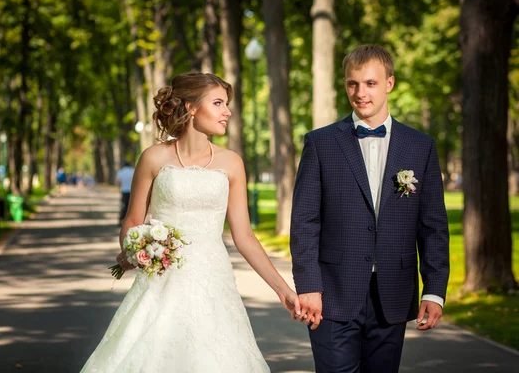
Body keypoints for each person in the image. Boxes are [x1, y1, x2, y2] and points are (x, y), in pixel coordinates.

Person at [80, 72, 300, 373]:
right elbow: (132, 221)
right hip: (161, 283)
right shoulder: (154, 158)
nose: (228, 112)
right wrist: (138, 250)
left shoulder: (232, 162)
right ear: (191, 107)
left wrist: (283, 289)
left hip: (214, 283)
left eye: (227, 104)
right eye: (219, 103)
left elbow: (245, 236)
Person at [290, 45, 450, 373]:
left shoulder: (421, 146)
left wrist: (434, 290)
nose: (360, 93)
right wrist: (308, 285)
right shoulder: (320, 143)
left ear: (389, 84)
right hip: (331, 293)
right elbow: (305, 220)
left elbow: (433, 224)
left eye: (370, 83)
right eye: (353, 84)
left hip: (393, 293)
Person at [116, 160, 135, 226]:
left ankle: (121, 220)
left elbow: (118, 182)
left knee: (123, 206)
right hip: (131, 191)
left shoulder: (121, 171)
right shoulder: (133, 171)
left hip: (124, 190)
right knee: (130, 206)